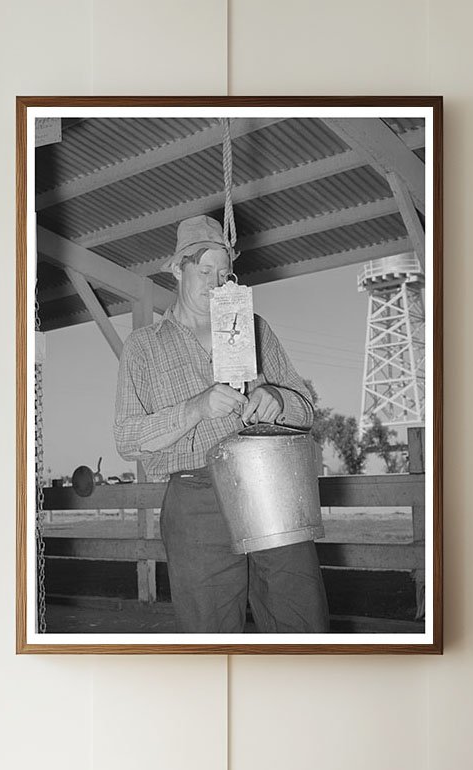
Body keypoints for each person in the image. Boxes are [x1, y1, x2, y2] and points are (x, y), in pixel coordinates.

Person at [114, 215, 330, 633]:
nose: (216, 282)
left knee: (302, 620)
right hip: (196, 498)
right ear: (178, 269)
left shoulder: (251, 327)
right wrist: (195, 409)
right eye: (205, 270)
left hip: (272, 485)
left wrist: (278, 399)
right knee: (210, 633)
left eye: (224, 272)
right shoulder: (143, 347)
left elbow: (305, 410)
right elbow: (127, 438)